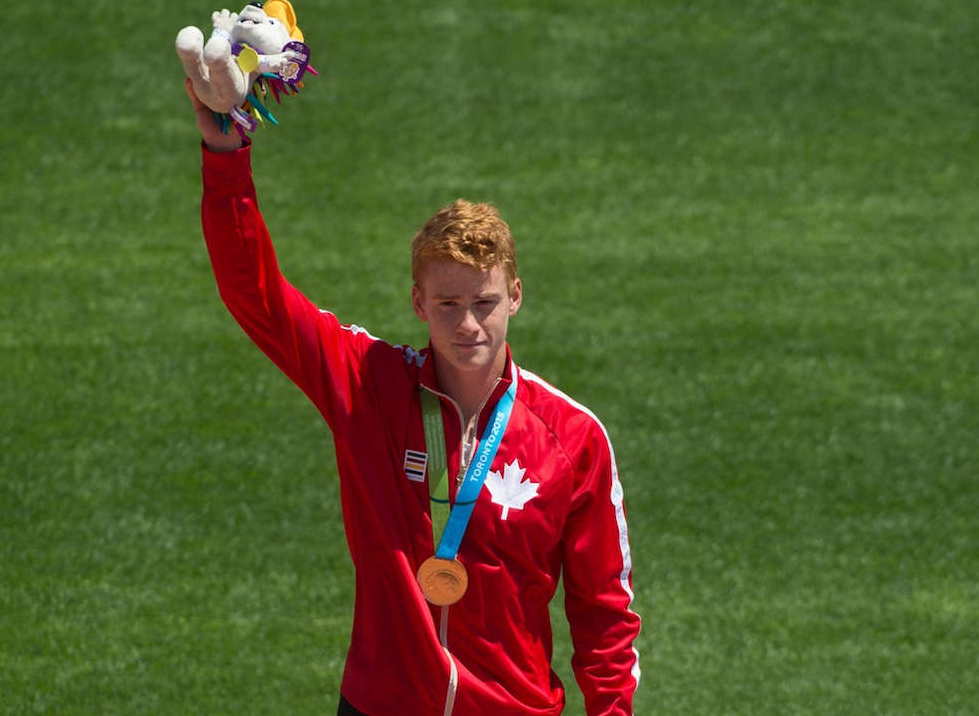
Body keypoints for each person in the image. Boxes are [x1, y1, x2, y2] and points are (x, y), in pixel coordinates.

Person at [185, 79, 641, 715]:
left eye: (484, 303)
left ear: (514, 297)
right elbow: (256, 295)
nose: (467, 326)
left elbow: (604, 614)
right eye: (447, 305)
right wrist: (227, 160)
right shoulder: (369, 383)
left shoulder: (573, 439)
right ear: (418, 302)